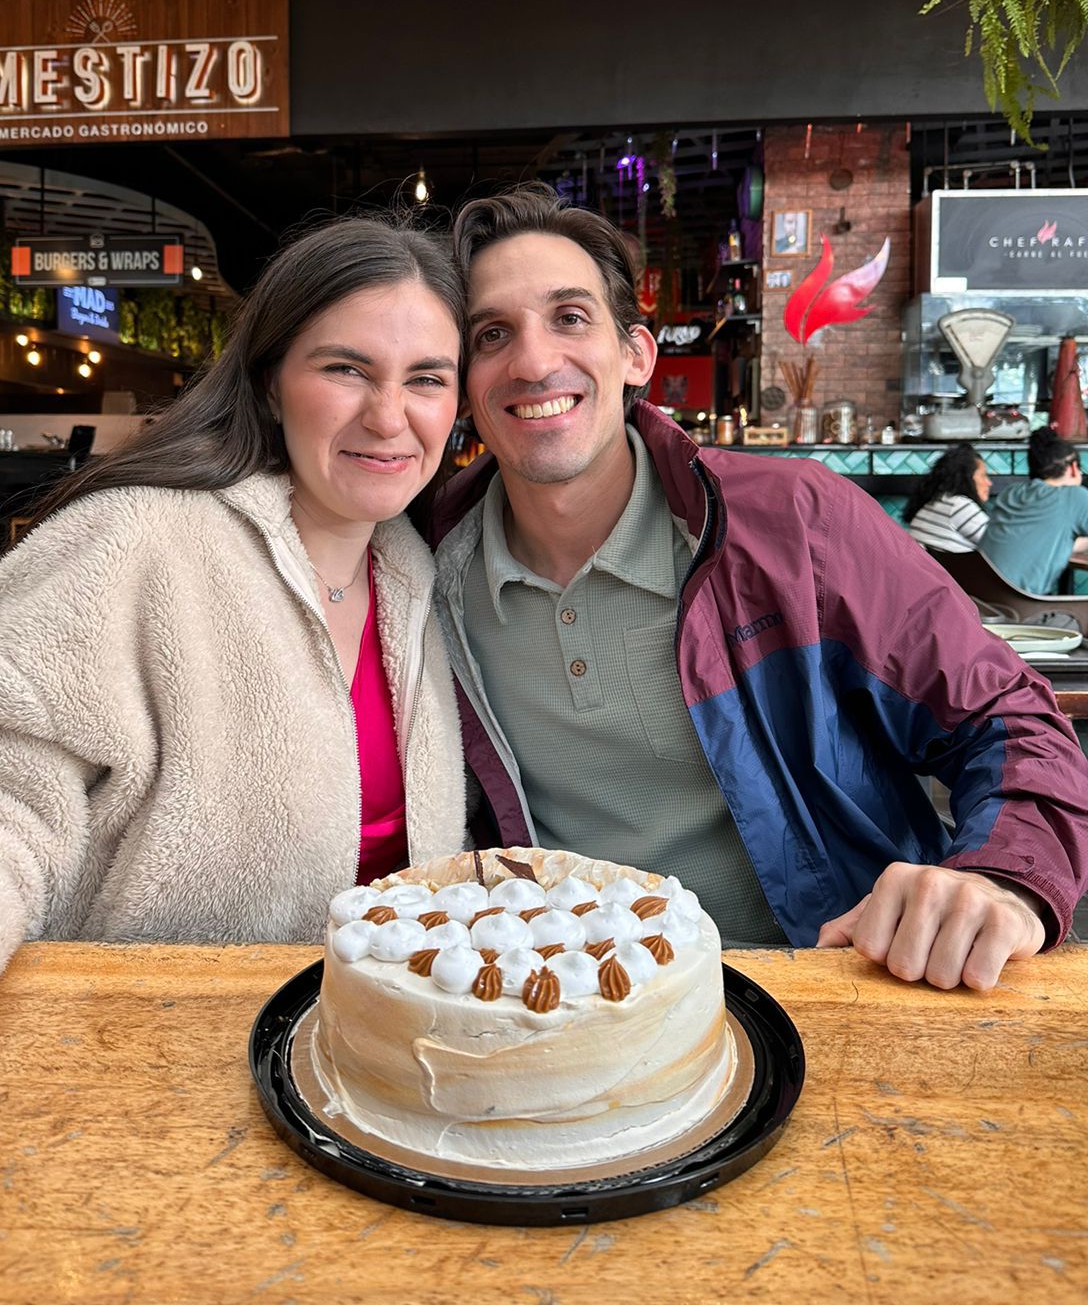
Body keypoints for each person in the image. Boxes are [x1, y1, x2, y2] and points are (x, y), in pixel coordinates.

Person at [428, 185, 1088, 994]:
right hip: (566, 1013)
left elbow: (1009, 718)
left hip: (824, 987)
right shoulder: (425, 573)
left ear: (636, 355)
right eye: (492, 334)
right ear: (462, 384)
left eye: (569, 317)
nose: (533, 363)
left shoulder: (795, 523)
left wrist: (1000, 880)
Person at [0, 215, 468, 1125]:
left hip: (368, 1089)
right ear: (270, 382)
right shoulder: (136, 539)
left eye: (426, 378)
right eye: (346, 369)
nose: (390, 416)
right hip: (132, 1086)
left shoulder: (414, 572)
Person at [978, 427, 1088, 595]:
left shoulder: (1012, 493)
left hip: (978, 599)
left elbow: (1038, 540)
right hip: (1021, 605)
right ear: (1073, 468)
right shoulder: (1073, 496)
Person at [902, 442, 991, 554]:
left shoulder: (936, 503)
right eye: (983, 475)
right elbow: (1001, 545)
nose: (989, 483)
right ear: (966, 479)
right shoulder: (959, 506)